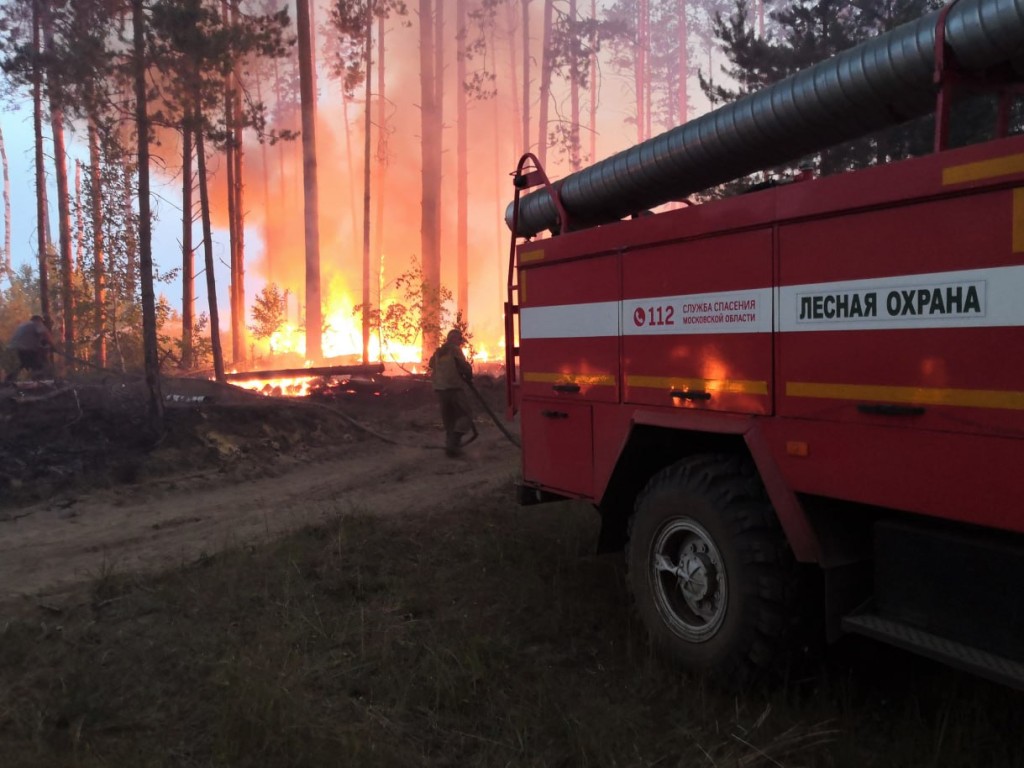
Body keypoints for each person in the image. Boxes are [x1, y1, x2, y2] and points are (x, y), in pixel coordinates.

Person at [428, 328, 474, 457]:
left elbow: (431, 364)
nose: (460, 343)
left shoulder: (439, 351)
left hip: (440, 390)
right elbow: (464, 366)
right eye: (459, 340)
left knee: (449, 419)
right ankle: (454, 442)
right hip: (454, 388)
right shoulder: (455, 350)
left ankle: (450, 448)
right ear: (454, 339)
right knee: (466, 415)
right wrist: (469, 376)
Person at [7, 315, 54, 380]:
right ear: (39, 320)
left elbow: (30, 339)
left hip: (17, 349)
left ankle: (9, 379)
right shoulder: (37, 323)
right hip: (28, 349)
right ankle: (40, 380)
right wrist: (52, 344)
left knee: (25, 364)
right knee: (39, 365)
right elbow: (45, 333)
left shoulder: (23, 325)